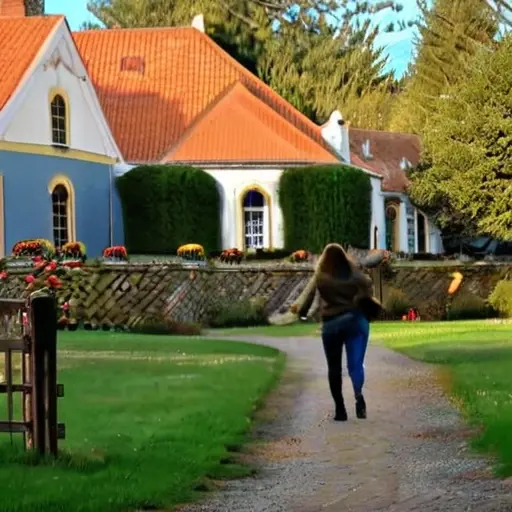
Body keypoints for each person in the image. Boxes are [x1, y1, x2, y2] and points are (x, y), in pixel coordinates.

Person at [269, 244, 387, 421]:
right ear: (344, 258)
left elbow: (308, 300)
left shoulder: (322, 278)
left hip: (332, 325)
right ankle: (358, 395)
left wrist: (301, 313)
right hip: (354, 321)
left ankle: (340, 410)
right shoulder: (356, 276)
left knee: (334, 368)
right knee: (355, 365)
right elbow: (367, 290)